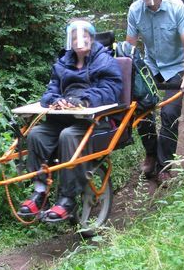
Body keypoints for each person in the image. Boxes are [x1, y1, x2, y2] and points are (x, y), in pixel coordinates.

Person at [18, 19, 122, 222]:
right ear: (70, 41)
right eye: (75, 37)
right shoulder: (63, 63)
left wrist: (84, 100)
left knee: (68, 136)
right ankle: (40, 191)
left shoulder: (105, 60)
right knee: (36, 134)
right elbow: (50, 91)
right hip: (63, 118)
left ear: (91, 38)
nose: (79, 40)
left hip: (94, 120)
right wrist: (57, 101)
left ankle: (67, 198)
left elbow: (111, 90)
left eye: (84, 36)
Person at [125, 0, 184, 184]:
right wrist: (127, 78)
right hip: (150, 66)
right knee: (141, 110)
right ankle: (151, 154)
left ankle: (165, 165)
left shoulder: (176, 7)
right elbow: (130, 47)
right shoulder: (135, 10)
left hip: (175, 67)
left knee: (169, 113)